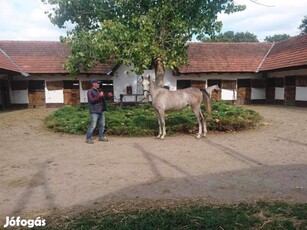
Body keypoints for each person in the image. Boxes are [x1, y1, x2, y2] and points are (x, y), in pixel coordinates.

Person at [85, 79, 111, 144]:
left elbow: (102, 98)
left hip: (101, 110)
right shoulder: (90, 91)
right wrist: (99, 96)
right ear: (93, 84)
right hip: (94, 111)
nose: (99, 84)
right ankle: (88, 138)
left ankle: (101, 137)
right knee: (93, 125)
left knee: (102, 124)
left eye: (99, 83)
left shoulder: (99, 90)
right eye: (98, 83)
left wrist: (108, 96)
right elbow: (91, 100)